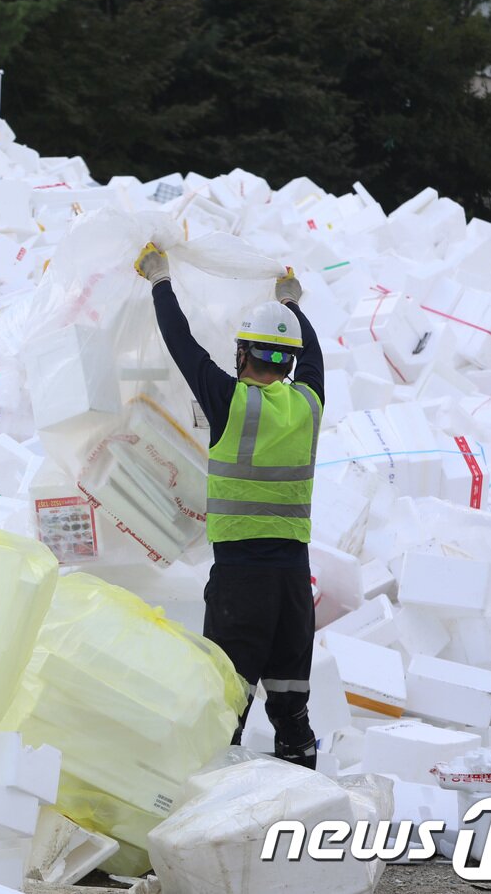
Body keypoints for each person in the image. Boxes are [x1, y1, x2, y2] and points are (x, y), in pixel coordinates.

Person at [134, 242, 324, 770]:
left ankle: (214, 818)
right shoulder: (308, 402)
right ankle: (300, 805)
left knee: (223, 710)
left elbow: (182, 344)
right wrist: (292, 304)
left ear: (242, 354)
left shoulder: (229, 401)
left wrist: (159, 279)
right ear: (287, 361)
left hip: (241, 581)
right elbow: (313, 358)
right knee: (291, 709)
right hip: (293, 582)